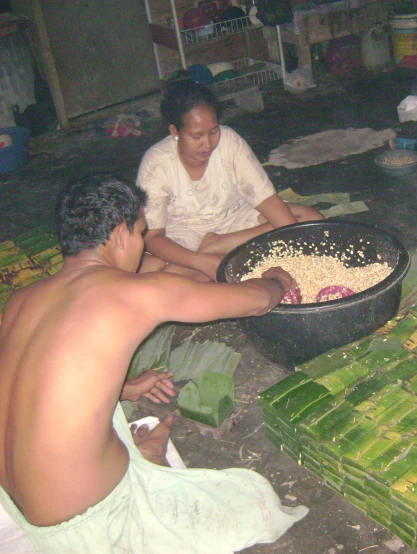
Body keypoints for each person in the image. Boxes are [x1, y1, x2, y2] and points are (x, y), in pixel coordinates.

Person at [0, 173, 307, 553]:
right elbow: (255, 301)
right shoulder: (133, 293)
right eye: (141, 233)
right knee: (246, 503)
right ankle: (149, 459)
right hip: (86, 526)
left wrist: (125, 389)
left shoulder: (21, 301)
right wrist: (276, 280)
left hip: (17, 500)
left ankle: (140, 457)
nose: (143, 244)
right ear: (120, 235)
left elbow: (46, 379)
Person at [137, 81, 323, 282]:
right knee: (157, 272)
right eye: (197, 136)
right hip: (185, 236)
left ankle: (220, 247)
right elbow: (153, 237)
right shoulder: (156, 163)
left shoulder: (229, 142)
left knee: (310, 219)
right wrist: (201, 262)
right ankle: (222, 256)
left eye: (214, 131)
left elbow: (266, 200)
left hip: (235, 219)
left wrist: (303, 249)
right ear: (175, 131)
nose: (207, 143)